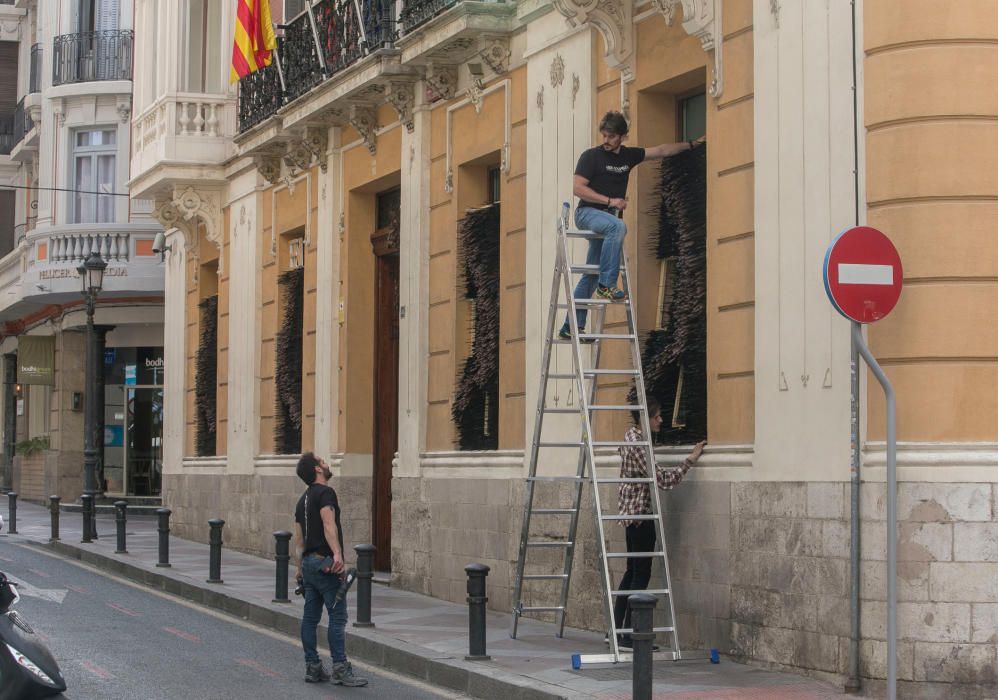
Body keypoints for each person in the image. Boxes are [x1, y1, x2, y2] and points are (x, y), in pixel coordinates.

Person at [559, 111, 705, 341]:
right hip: (588, 213)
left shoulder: (629, 156)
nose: (606, 140)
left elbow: (661, 150)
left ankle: (571, 326)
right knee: (617, 227)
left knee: (590, 274)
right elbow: (578, 188)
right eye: (604, 135)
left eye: (611, 136)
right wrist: (609, 201)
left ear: (623, 137)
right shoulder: (591, 157)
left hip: (608, 220)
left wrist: (692, 144)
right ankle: (607, 284)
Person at [613, 396, 705, 647]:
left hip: (630, 515)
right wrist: (690, 460)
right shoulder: (639, 444)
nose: (661, 420)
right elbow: (662, 480)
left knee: (631, 572)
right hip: (641, 516)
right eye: (656, 416)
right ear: (645, 417)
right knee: (639, 575)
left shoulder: (630, 438)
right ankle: (630, 635)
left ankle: (616, 631)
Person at [293, 452, 367, 686]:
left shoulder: (301, 500)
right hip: (325, 564)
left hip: (309, 564)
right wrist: (337, 554)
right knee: (337, 617)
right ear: (317, 469)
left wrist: (299, 569)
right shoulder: (326, 493)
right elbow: (328, 523)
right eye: (322, 461)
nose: (326, 463)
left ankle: (313, 666)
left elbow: (299, 541)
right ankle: (339, 668)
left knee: (310, 618)